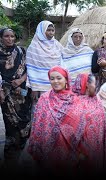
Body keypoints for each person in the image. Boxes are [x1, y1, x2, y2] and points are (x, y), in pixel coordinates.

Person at [28, 66, 86, 175]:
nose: (55, 81)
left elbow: (80, 125)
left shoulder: (75, 100)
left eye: (59, 78)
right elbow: (37, 124)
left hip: (68, 146)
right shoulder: (44, 98)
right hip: (47, 147)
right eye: (52, 78)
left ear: (66, 79)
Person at [0, 28, 32, 170]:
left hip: (23, 92)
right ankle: (10, 157)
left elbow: (29, 68)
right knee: (11, 125)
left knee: (25, 121)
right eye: (6, 36)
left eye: (12, 36)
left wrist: (21, 80)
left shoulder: (21, 51)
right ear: (1, 38)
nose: (10, 39)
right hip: (6, 94)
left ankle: (20, 149)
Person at [71, 73, 105, 173]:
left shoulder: (96, 100)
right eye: (94, 84)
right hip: (78, 150)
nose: (95, 87)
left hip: (95, 148)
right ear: (87, 85)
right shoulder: (73, 102)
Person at [26, 20, 63, 103]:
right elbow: (30, 69)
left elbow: (62, 64)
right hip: (39, 88)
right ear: (42, 31)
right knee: (39, 108)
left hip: (55, 84)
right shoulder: (34, 46)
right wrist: (34, 88)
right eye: (48, 30)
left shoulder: (57, 45)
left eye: (52, 30)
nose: (51, 33)